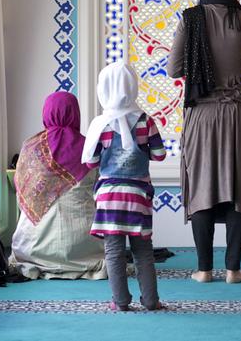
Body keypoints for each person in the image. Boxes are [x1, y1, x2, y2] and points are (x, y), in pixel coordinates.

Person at [167, 0, 241, 284]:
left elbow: (173, 70)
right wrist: (237, 57)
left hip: (202, 115)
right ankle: (233, 269)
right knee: (240, 185)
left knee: (202, 186)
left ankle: (202, 269)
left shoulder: (190, 20)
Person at [82, 61, 166, 311]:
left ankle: (120, 302)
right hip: (138, 196)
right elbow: (159, 155)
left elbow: (90, 162)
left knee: (114, 252)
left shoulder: (100, 124)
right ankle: (151, 301)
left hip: (109, 197)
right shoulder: (145, 121)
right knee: (143, 252)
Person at [9, 92, 106, 280]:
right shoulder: (89, 146)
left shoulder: (30, 147)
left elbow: (19, 187)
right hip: (83, 247)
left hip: (34, 248)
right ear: (75, 113)